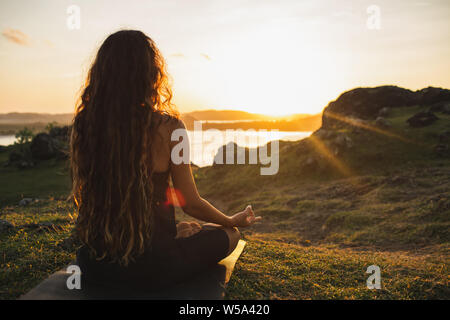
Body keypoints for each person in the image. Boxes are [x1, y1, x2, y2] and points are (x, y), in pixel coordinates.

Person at [69, 30, 261, 293]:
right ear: (151, 74)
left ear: (102, 74)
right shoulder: (171, 128)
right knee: (229, 235)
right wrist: (232, 220)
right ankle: (169, 241)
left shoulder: (84, 126)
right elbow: (191, 203)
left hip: (96, 265)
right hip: (152, 267)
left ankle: (168, 237)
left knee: (187, 230)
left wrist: (170, 231)